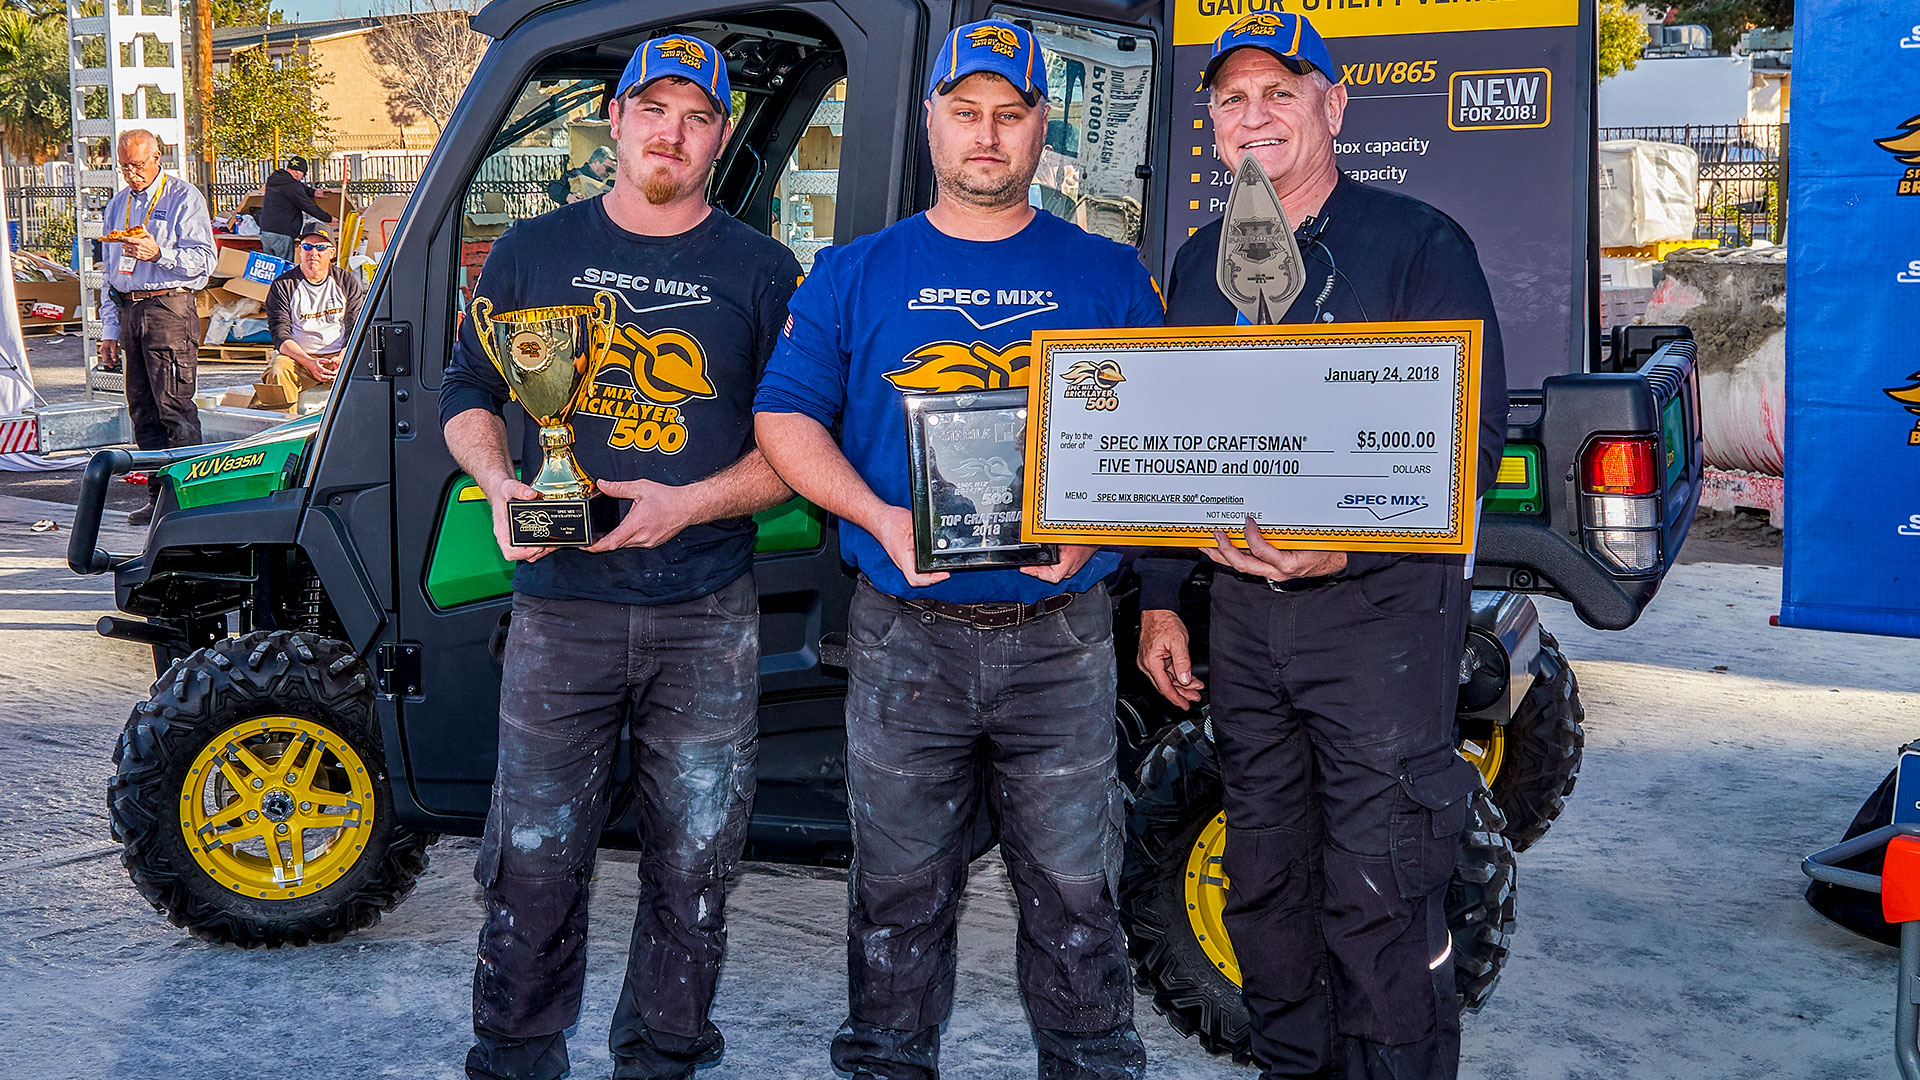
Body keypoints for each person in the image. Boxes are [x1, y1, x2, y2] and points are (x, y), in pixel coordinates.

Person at [754, 20, 1163, 1080]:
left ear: (1040, 128)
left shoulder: (1111, 275)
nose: (988, 135)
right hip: (904, 641)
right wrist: (881, 517)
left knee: (1077, 898)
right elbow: (787, 419)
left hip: (1060, 642)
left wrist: (1099, 524)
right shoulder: (853, 273)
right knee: (895, 896)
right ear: (931, 120)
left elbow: (1165, 440)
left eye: (1011, 114)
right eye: (966, 111)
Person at [1131, 13, 1509, 1080]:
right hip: (1246, 622)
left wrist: (1343, 551)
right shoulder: (1201, 261)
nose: (1254, 117)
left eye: (1280, 96)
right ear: (1211, 122)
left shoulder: (1418, 244)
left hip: (1381, 620)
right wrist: (1163, 595)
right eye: (1233, 100)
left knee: (1382, 888)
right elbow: (1172, 437)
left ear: (1332, 109)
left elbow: (1467, 436)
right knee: (1266, 886)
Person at [438, 35, 800, 1080]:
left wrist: (691, 503)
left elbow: (796, 448)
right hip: (562, 607)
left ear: (720, 135)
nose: (671, 134)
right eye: (654, 110)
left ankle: (666, 1054)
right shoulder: (528, 254)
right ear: (615, 116)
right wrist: (501, 480)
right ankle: (515, 1057)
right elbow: (468, 393)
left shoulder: (763, 271)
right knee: (535, 857)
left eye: (695, 117)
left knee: (697, 861)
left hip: (704, 612)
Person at [97, 128, 217, 525]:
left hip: (168, 305)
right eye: (124, 166)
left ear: (157, 159)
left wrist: (159, 253)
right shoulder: (117, 206)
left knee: (175, 407)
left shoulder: (183, 197)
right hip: (130, 307)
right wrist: (109, 331)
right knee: (143, 410)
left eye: (137, 165)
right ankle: (157, 497)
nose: (131, 174)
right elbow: (110, 274)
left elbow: (204, 262)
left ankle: (189, 499)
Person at [255, 224, 366, 410]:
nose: (313, 252)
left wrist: (342, 358)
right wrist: (309, 362)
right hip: (300, 359)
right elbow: (280, 334)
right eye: (307, 247)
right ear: (300, 250)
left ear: (331, 252)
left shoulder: (346, 282)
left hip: (338, 357)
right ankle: (284, 430)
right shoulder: (283, 285)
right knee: (277, 371)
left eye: (321, 247)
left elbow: (356, 325)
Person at [258, 155, 335, 261]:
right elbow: (307, 206)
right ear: (298, 172)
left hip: (266, 231)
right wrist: (329, 218)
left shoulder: (275, 180)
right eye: (303, 174)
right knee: (284, 268)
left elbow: (298, 187)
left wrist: (312, 192)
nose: (303, 177)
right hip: (282, 232)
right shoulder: (292, 186)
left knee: (271, 268)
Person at [547, 144, 616, 205]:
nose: (609, 173)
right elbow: (553, 188)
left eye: (612, 171)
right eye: (608, 169)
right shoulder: (576, 175)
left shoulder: (607, 183)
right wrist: (568, 197)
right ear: (596, 162)